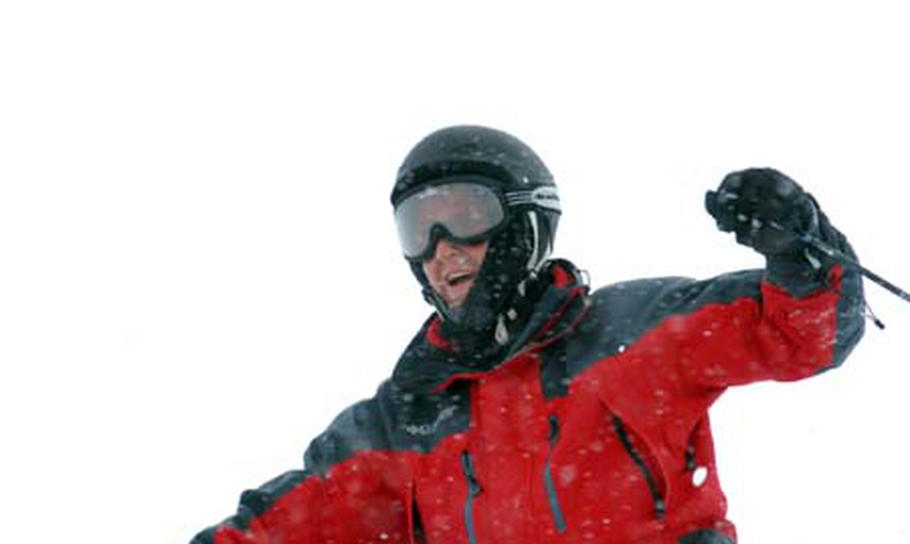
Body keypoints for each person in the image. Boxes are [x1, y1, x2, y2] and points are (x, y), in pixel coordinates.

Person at [192, 125, 865, 544]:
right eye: (418, 227)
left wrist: (799, 255)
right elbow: (281, 527)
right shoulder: (406, 421)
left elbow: (800, 333)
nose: (441, 249)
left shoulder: (632, 334)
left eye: (464, 217)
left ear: (522, 225)